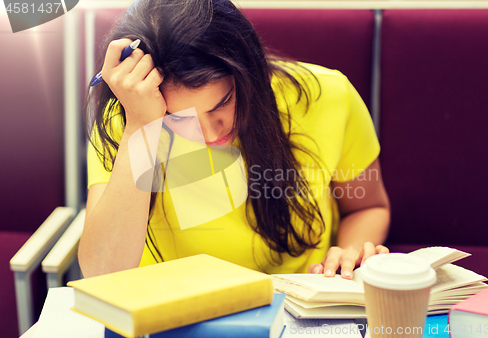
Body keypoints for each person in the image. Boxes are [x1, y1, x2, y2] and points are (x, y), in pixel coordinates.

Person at [79, 0, 390, 279]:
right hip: (171, 310)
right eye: (177, 119)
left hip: (296, 298)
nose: (212, 134)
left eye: (223, 103)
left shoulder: (329, 96)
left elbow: (367, 207)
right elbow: (103, 273)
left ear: (249, 73)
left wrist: (348, 255)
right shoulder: (129, 117)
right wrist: (141, 127)